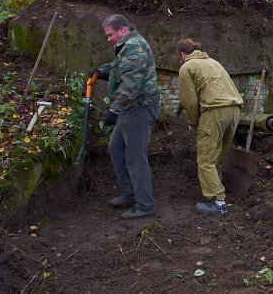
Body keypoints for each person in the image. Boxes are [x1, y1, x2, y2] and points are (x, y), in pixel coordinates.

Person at [91, 14, 160, 219]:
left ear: (122, 30)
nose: (108, 38)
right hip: (130, 108)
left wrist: (114, 110)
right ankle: (130, 193)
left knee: (135, 157)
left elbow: (132, 83)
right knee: (116, 147)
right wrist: (101, 72)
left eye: (110, 34)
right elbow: (122, 68)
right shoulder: (127, 45)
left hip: (138, 108)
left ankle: (145, 205)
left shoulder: (134, 47)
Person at [177, 38, 243, 216]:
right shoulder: (213, 62)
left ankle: (218, 203)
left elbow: (189, 101)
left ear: (182, 54)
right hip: (235, 111)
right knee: (218, 155)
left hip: (214, 112)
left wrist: (194, 123)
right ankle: (216, 190)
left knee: (206, 160)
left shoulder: (186, 67)